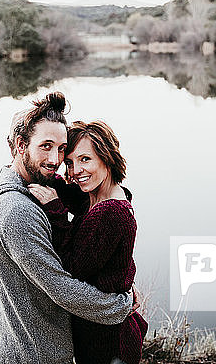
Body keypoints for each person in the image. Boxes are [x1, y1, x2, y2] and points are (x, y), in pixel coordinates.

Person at [0, 92, 138, 364]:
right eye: (46, 146)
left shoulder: (39, 185)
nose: (56, 160)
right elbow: (62, 284)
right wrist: (121, 304)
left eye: (62, 149)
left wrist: (124, 276)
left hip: (40, 345)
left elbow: (108, 234)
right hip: (33, 353)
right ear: (20, 145)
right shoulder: (17, 209)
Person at [28, 120, 148, 364]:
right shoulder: (98, 196)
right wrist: (42, 170)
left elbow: (71, 267)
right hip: (101, 331)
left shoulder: (111, 212)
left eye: (85, 159)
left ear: (107, 157)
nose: (75, 171)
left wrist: (56, 212)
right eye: (70, 163)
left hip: (108, 344)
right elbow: (76, 200)